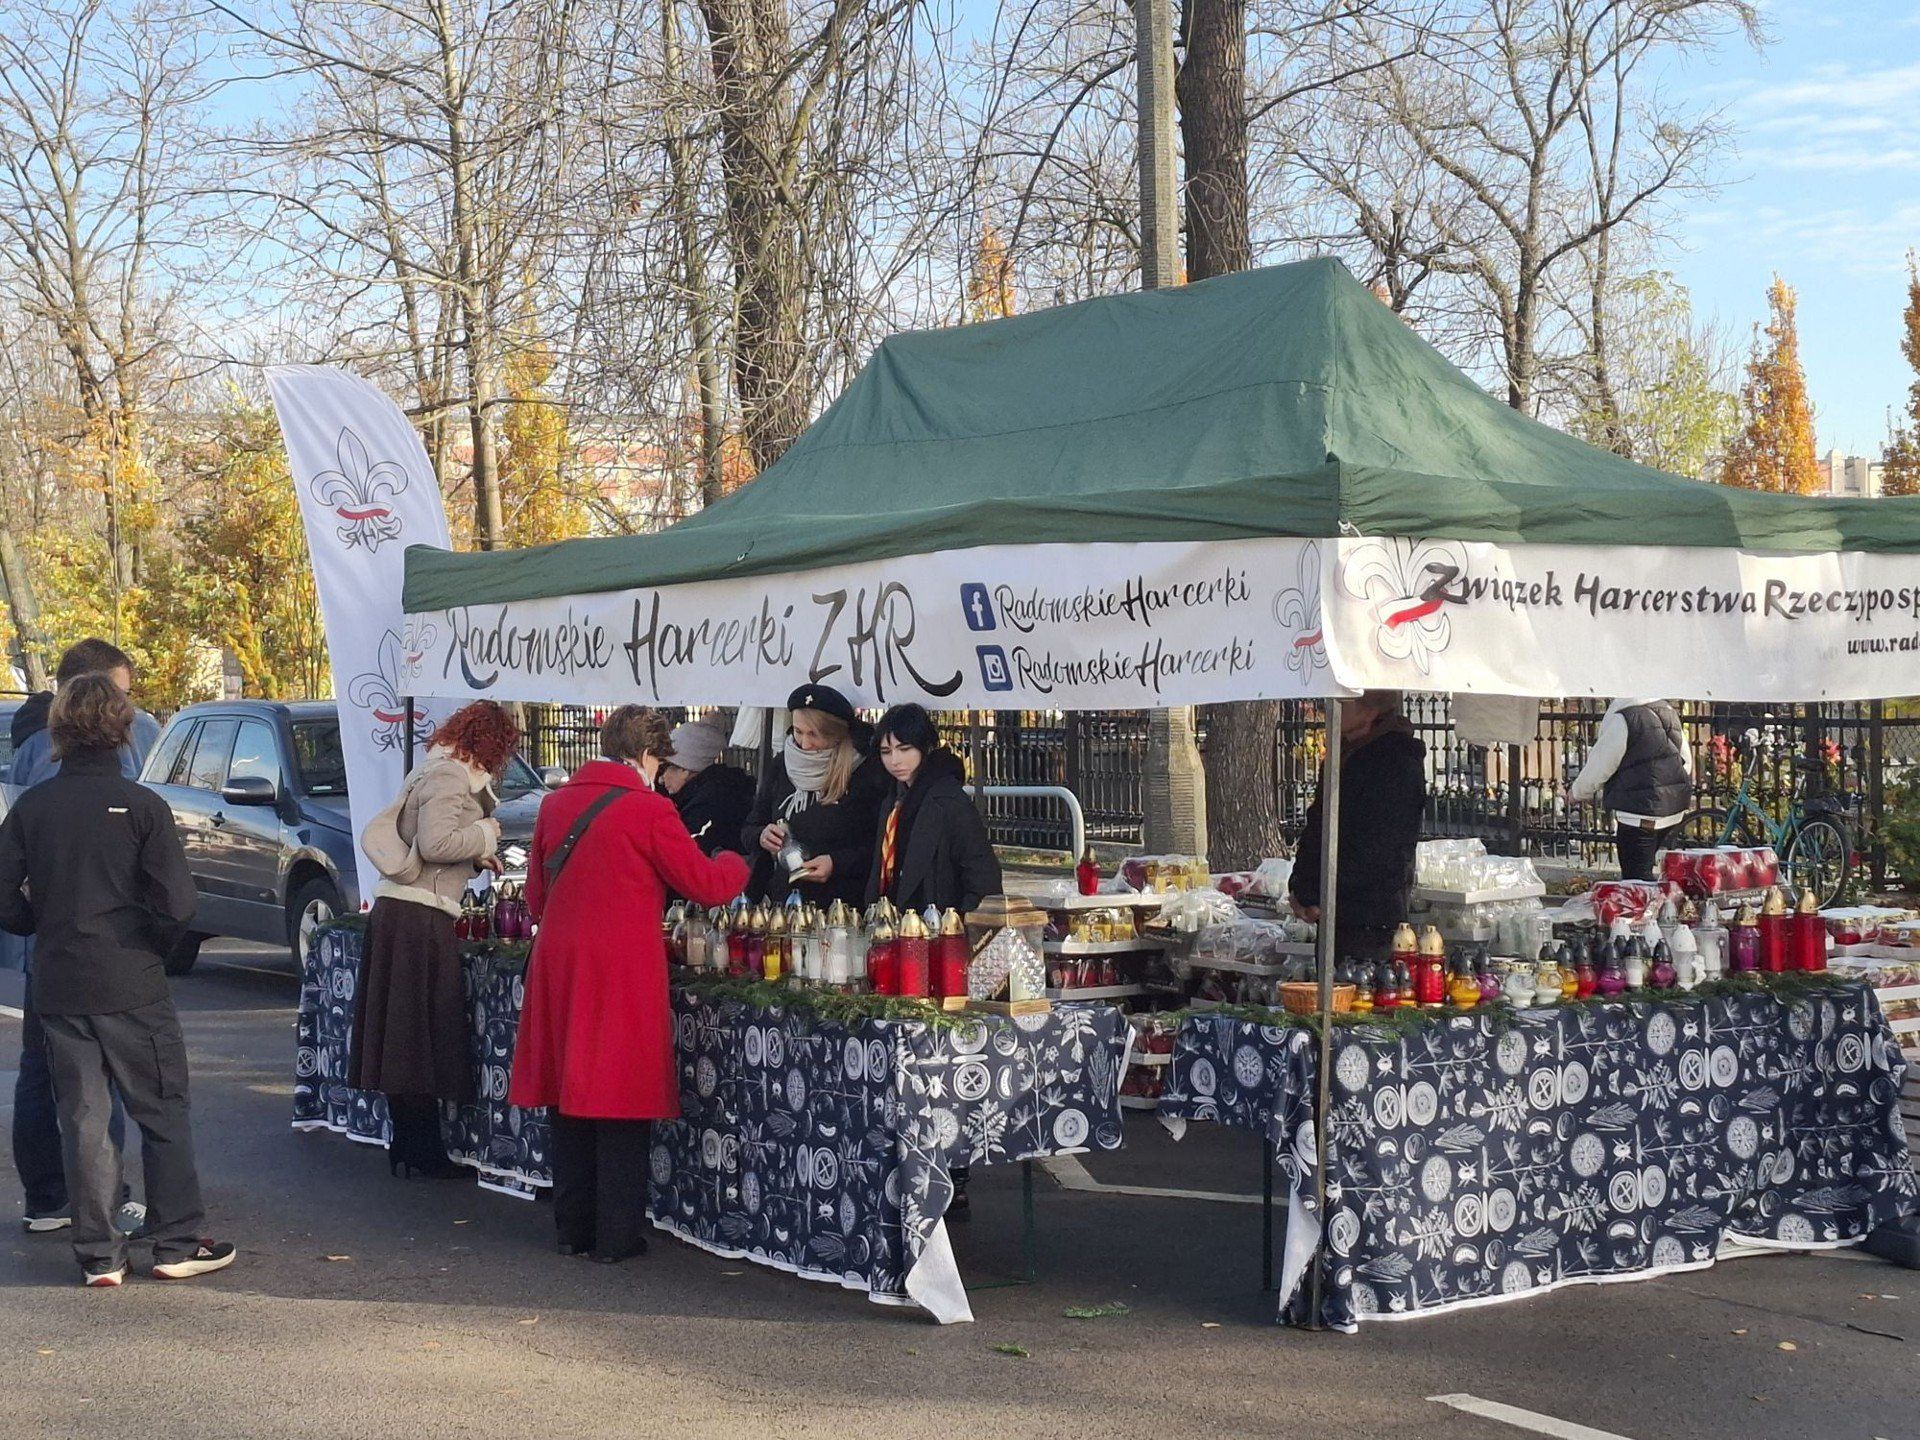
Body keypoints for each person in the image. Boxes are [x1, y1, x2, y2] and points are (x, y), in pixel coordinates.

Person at [0, 674, 235, 1286]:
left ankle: (99, 1253)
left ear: (59, 733)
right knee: (161, 1109)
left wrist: (39, 921)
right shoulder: (142, 806)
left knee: (82, 1116)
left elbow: (3, 895)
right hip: (131, 979)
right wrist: (149, 943)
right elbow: (180, 904)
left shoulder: (33, 805)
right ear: (123, 730)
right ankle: (177, 1240)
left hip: (60, 978)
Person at [508, 706, 749, 1263]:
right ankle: (615, 1237)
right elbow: (706, 886)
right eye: (660, 762)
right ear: (647, 755)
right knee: (620, 1095)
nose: (661, 773)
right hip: (620, 966)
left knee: (568, 1096)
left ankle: (573, 1230)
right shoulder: (650, 811)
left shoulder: (555, 802)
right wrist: (737, 860)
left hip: (560, 962)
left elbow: (536, 898)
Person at [11, 640, 157, 1237]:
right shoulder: (129, 746)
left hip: (44, 949)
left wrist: (28, 921)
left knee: (39, 1071)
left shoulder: (26, 756)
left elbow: (12, 863)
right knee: (104, 1081)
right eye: (121, 693)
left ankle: (46, 1197)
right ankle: (106, 1201)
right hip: (112, 948)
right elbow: (147, 849)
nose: (127, 706)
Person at [351, 701, 515, 1179]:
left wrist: (474, 859)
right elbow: (436, 844)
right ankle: (423, 1149)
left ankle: (408, 1143)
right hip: (419, 917)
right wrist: (484, 836)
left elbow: (430, 841)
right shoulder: (450, 778)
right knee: (418, 1035)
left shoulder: (432, 770)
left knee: (403, 1035)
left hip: (401, 912)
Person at [1289, 690, 1428, 963]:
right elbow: (1317, 827)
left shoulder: (1395, 763)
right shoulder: (1344, 755)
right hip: (1335, 916)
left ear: (1369, 711)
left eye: (1343, 701)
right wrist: (1300, 886)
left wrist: (1316, 893)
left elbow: (1377, 851)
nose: (1329, 709)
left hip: (1370, 923)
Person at [740, 685, 888, 908]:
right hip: (787, 904)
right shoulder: (783, 764)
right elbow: (750, 827)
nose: (804, 744)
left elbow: (878, 846)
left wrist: (836, 863)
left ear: (835, 734)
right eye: (798, 731)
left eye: (814, 735)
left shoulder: (864, 772)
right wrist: (762, 835)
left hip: (842, 906)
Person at [865, 704, 1001, 914]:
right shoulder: (892, 800)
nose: (895, 760)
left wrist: (956, 926)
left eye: (904, 749)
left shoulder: (949, 801)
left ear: (924, 747)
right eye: (886, 752)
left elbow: (982, 877)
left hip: (939, 924)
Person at [1569, 698, 1692, 881]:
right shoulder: (1667, 711)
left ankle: (1645, 908)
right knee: (1644, 870)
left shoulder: (1625, 719)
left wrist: (1577, 792)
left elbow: (1602, 764)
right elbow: (1685, 760)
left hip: (1639, 812)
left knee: (1636, 879)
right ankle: (1659, 905)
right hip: (1672, 808)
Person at [656, 717, 755, 857]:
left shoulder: (707, 804)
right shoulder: (706, 794)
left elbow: (679, 854)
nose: (661, 779)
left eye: (666, 768)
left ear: (686, 769)